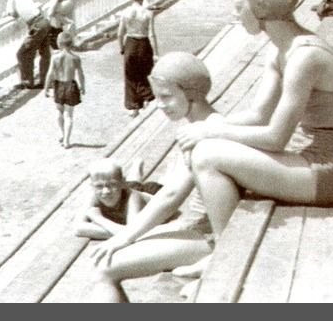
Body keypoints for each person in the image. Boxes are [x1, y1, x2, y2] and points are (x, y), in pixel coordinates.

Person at [175, 0, 333, 241]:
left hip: (326, 176)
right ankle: (210, 232)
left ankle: (225, 248)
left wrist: (210, 132)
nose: (235, 14)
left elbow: (276, 138)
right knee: (205, 141)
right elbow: (258, 115)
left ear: (261, 7)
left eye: (239, 6)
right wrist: (208, 126)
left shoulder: (304, 57)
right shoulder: (282, 51)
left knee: (207, 155)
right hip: (307, 164)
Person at [90, 52, 220, 302]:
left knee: (104, 268)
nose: (159, 104)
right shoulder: (203, 124)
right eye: (157, 96)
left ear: (191, 93)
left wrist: (125, 236)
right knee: (107, 257)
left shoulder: (202, 131)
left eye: (166, 96)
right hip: (197, 227)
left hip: (208, 237)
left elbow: (171, 196)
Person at [75, 158, 163, 240]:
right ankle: (136, 167)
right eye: (99, 186)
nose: (105, 191)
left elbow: (132, 233)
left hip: (153, 193)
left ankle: (142, 167)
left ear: (122, 183)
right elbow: (78, 229)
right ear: (92, 186)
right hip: (121, 191)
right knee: (133, 183)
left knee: (163, 182)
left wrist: (98, 218)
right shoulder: (94, 195)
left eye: (112, 184)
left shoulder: (133, 197)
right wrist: (120, 231)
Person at [117, 0, 159, 117]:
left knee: (130, 76)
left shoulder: (126, 13)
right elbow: (152, 34)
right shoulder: (148, 13)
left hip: (130, 42)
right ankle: (147, 99)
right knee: (144, 73)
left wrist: (122, 48)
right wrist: (156, 53)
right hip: (144, 43)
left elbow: (120, 34)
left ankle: (134, 107)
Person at [30, 0, 77, 88]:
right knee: (50, 10)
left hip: (69, 1)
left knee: (50, 10)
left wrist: (48, 16)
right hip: (68, 0)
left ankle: (67, 23)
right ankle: (66, 24)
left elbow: (54, 4)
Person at [45, 31, 86, 148]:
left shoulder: (55, 57)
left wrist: (46, 88)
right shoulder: (75, 58)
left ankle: (62, 133)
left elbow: (49, 74)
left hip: (58, 85)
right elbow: (81, 74)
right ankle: (67, 141)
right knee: (68, 115)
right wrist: (82, 86)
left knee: (58, 111)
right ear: (71, 43)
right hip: (70, 85)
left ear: (59, 43)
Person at [1, 0, 42, 90]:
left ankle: (27, 82)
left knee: (22, 54)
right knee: (43, 52)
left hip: (36, 25)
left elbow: (12, 13)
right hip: (42, 19)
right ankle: (42, 80)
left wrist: (6, 14)